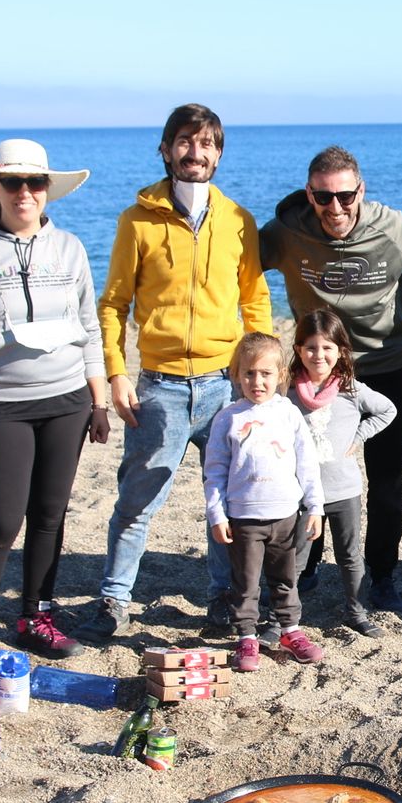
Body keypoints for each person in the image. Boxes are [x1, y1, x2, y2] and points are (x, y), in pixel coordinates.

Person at [79, 103, 274, 643]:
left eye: (207, 143)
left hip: (225, 385)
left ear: (219, 153)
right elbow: (113, 304)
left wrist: (261, 369)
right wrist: (116, 373)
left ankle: (222, 598)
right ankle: (115, 600)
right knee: (138, 501)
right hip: (159, 386)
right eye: (185, 142)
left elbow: (254, 297)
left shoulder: (238, 221)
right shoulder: (136, 220)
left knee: (230, 499)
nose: (196, 153)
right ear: (166, 150)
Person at [0, 139, 108, 672]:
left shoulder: (71, 248)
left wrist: (98, 400)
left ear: (47, 190)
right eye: (13, 183)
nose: (25, 193)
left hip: (68, 402)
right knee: (1, 523)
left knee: (50, 516)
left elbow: (89, 328)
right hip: (0, 406)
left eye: (35, 183)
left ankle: (36, 616)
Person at [259, 146, 402, 613]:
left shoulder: (391, 227)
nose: (335, 208)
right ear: (309, 195)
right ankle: (307, 566)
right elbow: (232, 267)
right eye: (323, 198)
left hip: (387, 364)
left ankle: (382, 576)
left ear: (361, 191)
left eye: (345, 196)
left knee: (385, 479)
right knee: (306, 471)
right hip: (316, 369)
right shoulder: (286, 232)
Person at [203, 332, 325, 673]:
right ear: (236, 375)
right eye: (249, 373)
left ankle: (289, 631)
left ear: (280, 376)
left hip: (286, 515)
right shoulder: (228, 418)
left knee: (285, 578)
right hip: (243, 517)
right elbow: (214, 471)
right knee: (245, 581)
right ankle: (246, 635)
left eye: (266, 373)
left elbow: (307, 464)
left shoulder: (288, 414)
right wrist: (217, 514)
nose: (257, 381)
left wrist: (314, 507)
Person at [286, 310, 397, 638]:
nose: (318, 355)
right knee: (295, 557)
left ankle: (355, 611)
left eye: (327, 348)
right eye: (310, 348)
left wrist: (359, 436)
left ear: (341, 352)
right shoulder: (288, 391)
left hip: (344, 490)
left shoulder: (351, 389)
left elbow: (387, 409)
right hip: (302, 494)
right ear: (297, 350)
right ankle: (284, 618)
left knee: (349, 555)